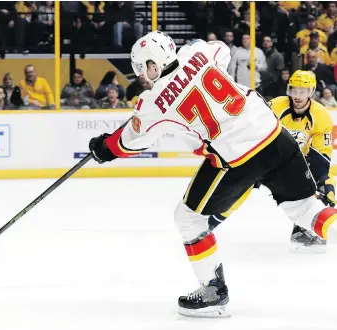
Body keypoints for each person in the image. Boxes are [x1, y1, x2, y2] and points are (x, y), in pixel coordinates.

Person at [87, 31, 337, 318]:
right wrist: (195, 51)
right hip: (273, 132)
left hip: (239, 155)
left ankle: (213, 290)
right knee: (307, 209)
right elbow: (221, 51)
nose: (143, 76)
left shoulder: (155, 101)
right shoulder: (197, 54)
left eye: (143, 68)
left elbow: (128, 142)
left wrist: (102, 147)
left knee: (188, 217)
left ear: (154, 65)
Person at [210, 70, 335, 252]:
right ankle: (208, 224)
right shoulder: (274, 106)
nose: (297, 96)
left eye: (302, 91)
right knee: (237, 189)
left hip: (294, 165)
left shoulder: (321, 116)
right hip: (263, 157)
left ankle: (303, 229)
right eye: (294, 90)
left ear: (312, 92)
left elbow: (320, 157)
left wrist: (319, 183)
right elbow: (251, 128)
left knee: (326, 190)